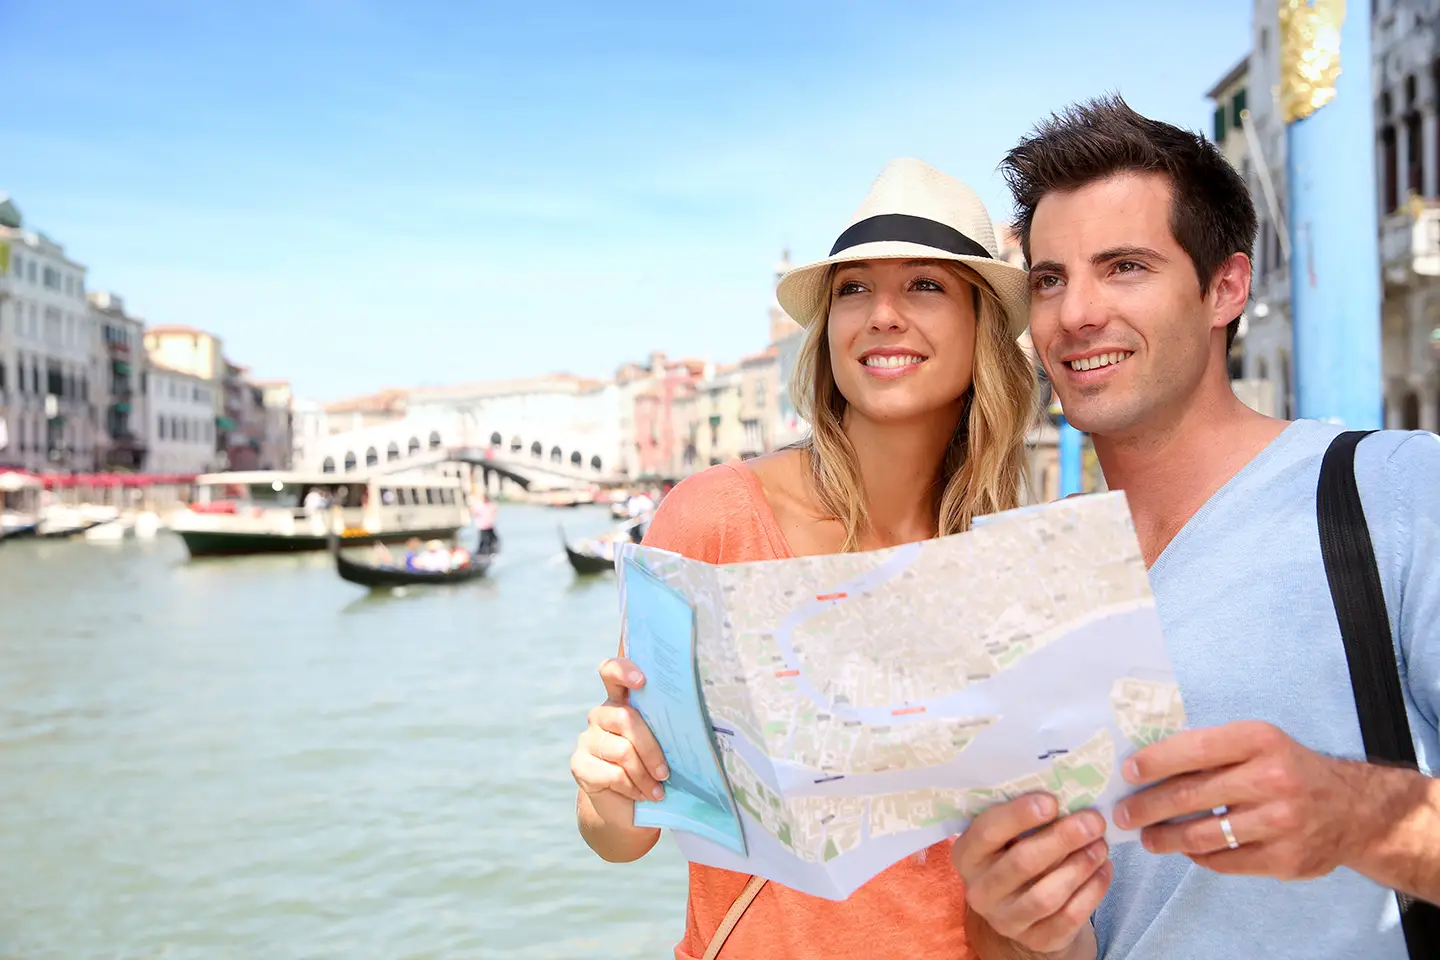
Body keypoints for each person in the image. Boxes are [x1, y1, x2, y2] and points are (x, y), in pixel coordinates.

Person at [952, 95, 1440, 960]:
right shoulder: (1026, 575)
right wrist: (1015, 923)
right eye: (1051, 279)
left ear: (1225, 287)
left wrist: (1360, 814)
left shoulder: (1396, 492)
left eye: (1125, 267)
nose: (1076, 314)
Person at [569, 157, 1039, 959]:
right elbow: (621, 838)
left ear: (981, 328)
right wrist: (606, 781)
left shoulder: (1017, 565)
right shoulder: (715, 520)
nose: (881, 315)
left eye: (925, 285)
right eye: (854, 289)